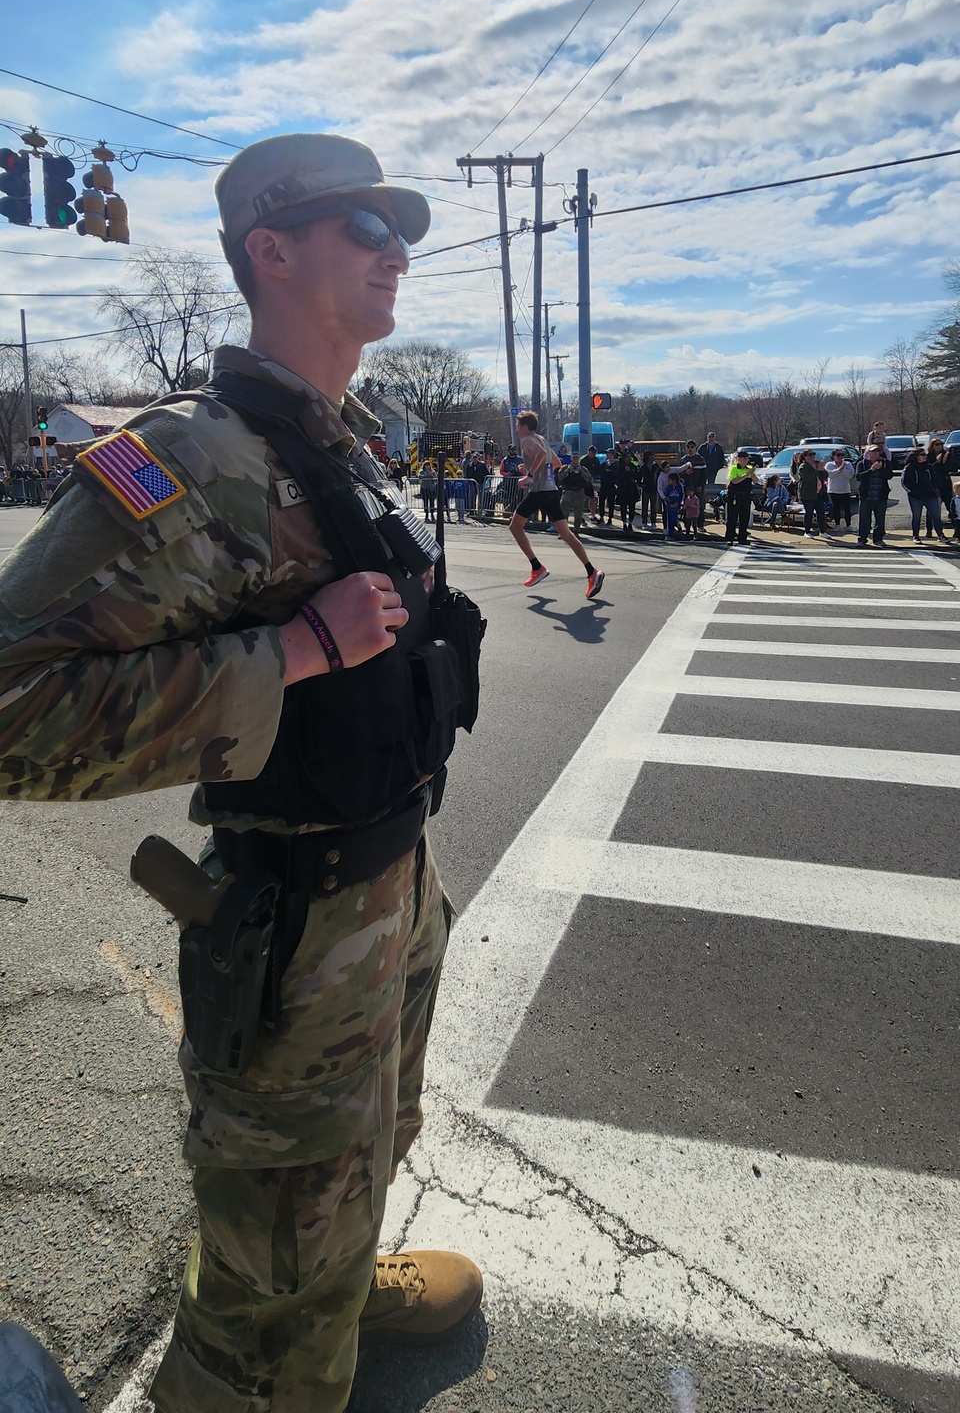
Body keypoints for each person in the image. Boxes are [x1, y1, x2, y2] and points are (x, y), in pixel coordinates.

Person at [0, 133, 486, 1412]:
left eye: (401, 230)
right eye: (363, 228)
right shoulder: (187, 461)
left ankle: (335, 1285)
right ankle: (260, 1360)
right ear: (269, 251)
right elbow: (11, 707)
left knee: (374, 1135)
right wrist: (293, 655)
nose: (397, 252)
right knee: (272, 1234)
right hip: (292, 913)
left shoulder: (346, 435)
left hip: (393, 882)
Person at [509, 410, 604, 598]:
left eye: (518, 425)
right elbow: (556, 462)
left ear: (526, 427)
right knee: (566, 534)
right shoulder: (541, 438)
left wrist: (529, 476)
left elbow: (542, 454)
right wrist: (531, 470)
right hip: (551, 491)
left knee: (515, 527)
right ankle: (591, 572)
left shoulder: (527, 440)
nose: (516, 429)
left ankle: (537, 567)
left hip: (539, 492)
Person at [901, 445, 947, 543]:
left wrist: (934, 487)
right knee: (916, 516)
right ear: (916, 456)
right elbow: (904, 482)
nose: (924, 456)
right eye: (922, 454)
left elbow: (936, 478)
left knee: (936, 516)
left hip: (930, 495)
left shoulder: (928, 466)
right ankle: (916, 536)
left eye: (925, 454)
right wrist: (912, 491)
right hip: (915, 497)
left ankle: (940, 535)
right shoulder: (909, 468)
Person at [856, 446, 891, 546]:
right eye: (873, 451)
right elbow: (859, 476)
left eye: (877, 451)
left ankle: (878, 539)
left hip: (880, 496)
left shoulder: (884, 463)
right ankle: (862, 539)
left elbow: (889, 475)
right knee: (864, 519)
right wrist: (871, 470)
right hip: (866, 496)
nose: (875, 453)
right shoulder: (862, 464)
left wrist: (880, 469)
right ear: (868, 453)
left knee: (880, 519)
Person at [555, 452, 594, 533]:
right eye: (574, 457)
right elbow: (560, 477)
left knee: (578, 513)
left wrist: (581, 472)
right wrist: (568, 470)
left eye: (576, 457)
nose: (575, 459)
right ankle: (564, 532)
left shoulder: (583, 469)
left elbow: (588, 479)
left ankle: (576, 530)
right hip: (567, 491)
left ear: (579, 459)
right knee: (564, 513)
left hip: (579, 492)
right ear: (571, 459)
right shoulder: (565, 467)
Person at [796, 449, 827, 536]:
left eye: (814, 454)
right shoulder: (803, 466)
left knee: (820, 512)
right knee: (809, 512)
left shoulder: (816, 464)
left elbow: (825, 476)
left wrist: (822, 469)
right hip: (807, 494)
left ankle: (822, 531)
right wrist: (817, 470)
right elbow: (807, 478)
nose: (813, 456)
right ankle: (807, 531)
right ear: (805, 456)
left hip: (818, 493)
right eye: (810, 454)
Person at [724, 452, 754, 543]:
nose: (746, 460)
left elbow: (756, 481)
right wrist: (745, 475)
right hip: (735, 496)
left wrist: (752, 474)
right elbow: (734, 481)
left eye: (747, 459)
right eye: (744, 458)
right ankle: (730, 537)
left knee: (744, 517)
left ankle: (742, 537)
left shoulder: (749, 469)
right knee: (732, 517)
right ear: (738, 459)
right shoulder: (734, 468)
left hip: (746, 496)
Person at [824, 449, 855, 532]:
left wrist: (843, 468)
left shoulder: (848, 464)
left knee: (847, 509)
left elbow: (850, 475)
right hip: (833, 490)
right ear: (833, 456)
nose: (840, 457)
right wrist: (839, 468)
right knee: (836, 508)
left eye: (842, 455)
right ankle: (837, 525)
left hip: (845, 490)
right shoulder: (829, 464)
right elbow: (830, 475)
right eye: (838, 455)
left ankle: (848, 525)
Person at [616, 452, 640, 534]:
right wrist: (625, 472)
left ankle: (630, 523)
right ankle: (624, 523)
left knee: (632, 508)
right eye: (627, 457)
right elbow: (618, 478)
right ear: (623, 458)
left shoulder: (633, 466)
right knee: (623, 508)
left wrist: (630, 472)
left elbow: (637, 476)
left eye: (630, 457)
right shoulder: (619, 466)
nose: (629, 459)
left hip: (631, 490)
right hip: (623, 490)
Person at [657, 464, 684, 539]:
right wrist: (668, 503)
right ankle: (670, 533)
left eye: (669, 480)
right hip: (669, 507)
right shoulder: (667, 488)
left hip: (677, 506)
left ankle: (678, 528)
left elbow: (682, 496)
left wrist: (679, 503)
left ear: (674, 480)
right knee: (669, 520)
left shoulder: (679, 487)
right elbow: (665, 496)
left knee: (675, 519)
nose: (668, 481)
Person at [597, 448, 618, 524]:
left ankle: (610, 518)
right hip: (604, 485)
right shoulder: (605, 463)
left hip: (611, 485)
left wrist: (607, 472)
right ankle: (601, 516)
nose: (607, 455)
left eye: (608, 453)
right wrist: (605, 472)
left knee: (611, 502)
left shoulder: (616, 464)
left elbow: (613, 473)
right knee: (601, 501)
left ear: (612, 455)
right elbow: (601, 471)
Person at [639, 450, 659, 527]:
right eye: (651, 456)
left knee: (654, 507)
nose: (653, 457)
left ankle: (653, 522)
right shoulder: (643, 467)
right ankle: (644, 522)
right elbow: (639, 478)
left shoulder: (656, 466)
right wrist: (641, 484)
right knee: (644, 506)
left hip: (654, 489)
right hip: (646, 489)